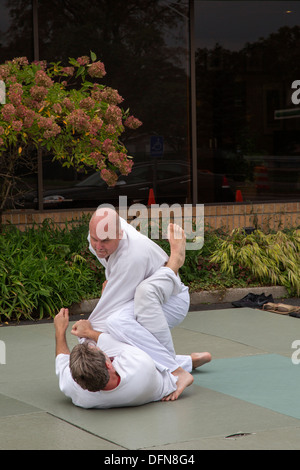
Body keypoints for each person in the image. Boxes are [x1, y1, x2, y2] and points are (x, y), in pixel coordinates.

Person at [54, 227, 208, 407]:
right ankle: (178, 368)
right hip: (160, 372)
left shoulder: (78, 390)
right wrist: (86, 329)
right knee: (117, 321)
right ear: (111, 364)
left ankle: (189, 361)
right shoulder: (139, 367)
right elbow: (128, 341)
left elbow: (62, 361)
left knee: (95, 334)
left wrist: (60, 332)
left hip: (135, 369)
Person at [84, 207, 211, 377]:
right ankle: (182, 363)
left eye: (105, 241)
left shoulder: (132, 258)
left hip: (170, 300)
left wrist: (87, 336)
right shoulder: (102, 232)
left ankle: (174, 371)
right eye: (94, 239)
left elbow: (105, 314)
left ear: (120, 234)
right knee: (118, 325)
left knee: (117, 322)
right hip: (141, 292)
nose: (98, 246)